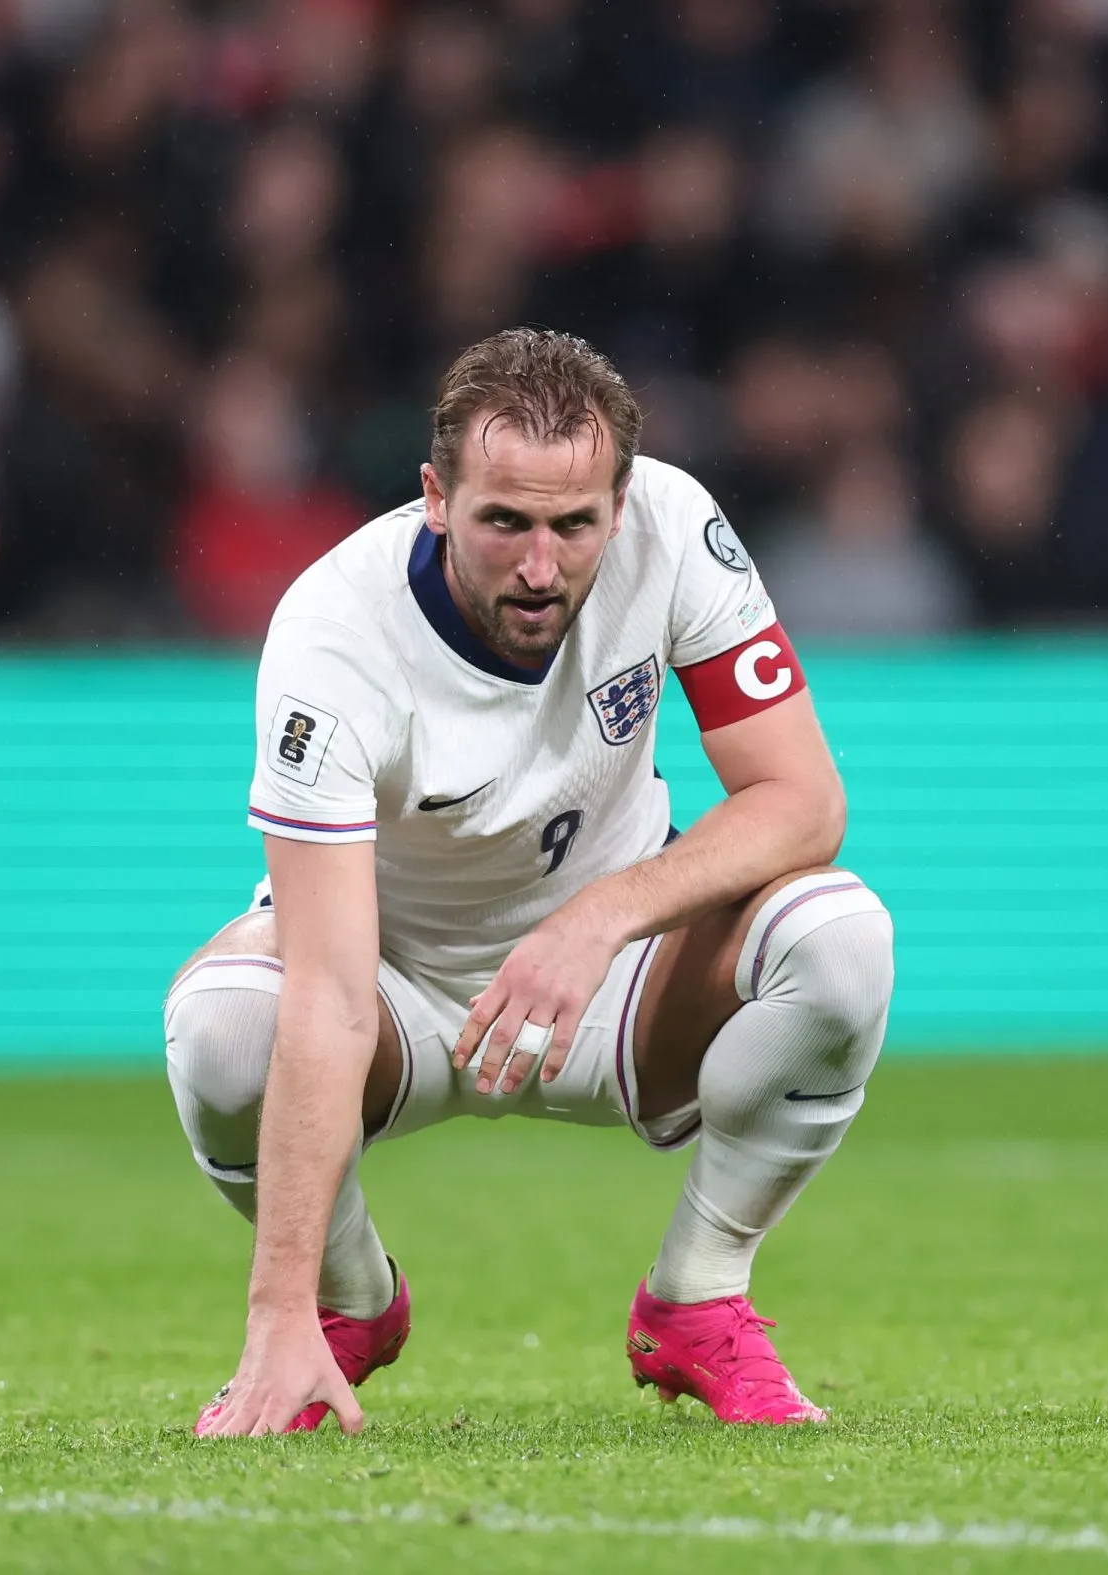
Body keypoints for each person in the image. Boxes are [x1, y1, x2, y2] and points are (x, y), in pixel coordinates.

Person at [164, 329, 893, 1434]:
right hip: (394, 993)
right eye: (503, 521)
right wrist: (273, 1317)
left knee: (842, 939)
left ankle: (697, 1296)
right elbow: (323, 987)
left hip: (620, 978)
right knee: (218, 1030)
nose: (540, 567)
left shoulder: (674, 526)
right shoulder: (330, 638)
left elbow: (805, 802)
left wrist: (597, 919)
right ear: (435, 498)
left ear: (621, 502)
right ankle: (344, 1302)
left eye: (573, 525)